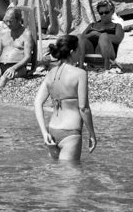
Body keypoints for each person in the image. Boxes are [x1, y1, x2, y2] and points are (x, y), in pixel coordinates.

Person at [33, 34, 95, 163]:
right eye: (79, 50)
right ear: (72, 52)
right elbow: (83, 108)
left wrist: (44, 133)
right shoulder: (80, 74)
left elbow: (37, 103)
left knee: (57, 177)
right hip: (70, 132)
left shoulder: (50, 73)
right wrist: (92, 134)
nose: (80, 53)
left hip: (52, 130)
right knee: (71, 179)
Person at [74, 0, 125, 73]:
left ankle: (106, 68)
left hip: (106, 53)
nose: (103, 15)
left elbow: (118, 39)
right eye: (101, 13)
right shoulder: (92, 25)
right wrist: (91, 34)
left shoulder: (116, 26)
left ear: (112, 11)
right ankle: (80, 66)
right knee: (79, 36)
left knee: (104, 36)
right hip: (89, 52)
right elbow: (80, 38)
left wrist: (99, 35)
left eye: (106, 12)